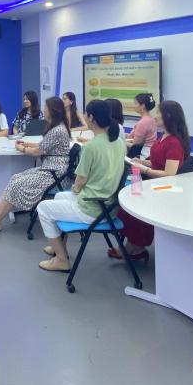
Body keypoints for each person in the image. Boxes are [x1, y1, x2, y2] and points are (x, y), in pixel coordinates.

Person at [34, 99, 127, 271]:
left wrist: (76, 190)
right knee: (59, 196)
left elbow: (80, 182)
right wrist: (77, 191)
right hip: (108, 205)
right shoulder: (118, 142)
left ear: (91, 118)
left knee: (43, 208)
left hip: (92, 208)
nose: (84, 116)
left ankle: (61, 260)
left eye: (86, 114)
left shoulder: (91, 147)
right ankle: (59, 246)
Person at [0, 97, 71, 232]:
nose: (44, 110)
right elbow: (43, 146)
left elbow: (36, 152)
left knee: (17, 183)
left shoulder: (57, 130)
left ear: (53, 111)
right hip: (49, 170)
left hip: (55, 174)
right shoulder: (57, 128)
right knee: (14, 178)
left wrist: (21, 148)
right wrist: (27, 143)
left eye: (46, 108)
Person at [111, 99, 191, 260]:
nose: (155, 116)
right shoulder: (164, 136)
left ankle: (136, 246)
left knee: (135, 207)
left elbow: (169, 173)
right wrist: (143, 162)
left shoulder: (174, 142)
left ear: (168, 116)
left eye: (159, 112)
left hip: (163, 187)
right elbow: (159, 161)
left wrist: (145, 169)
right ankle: (133, 245)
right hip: (153, 181)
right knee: (127, 205)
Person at [127, 92, 158, 158]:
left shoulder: (143, 122)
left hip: (144, 154)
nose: (134, 106)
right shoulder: (151, 119)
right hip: (149, 151)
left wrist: (122, 143)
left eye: (136, 103)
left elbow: (135, 145)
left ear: (142, 106)